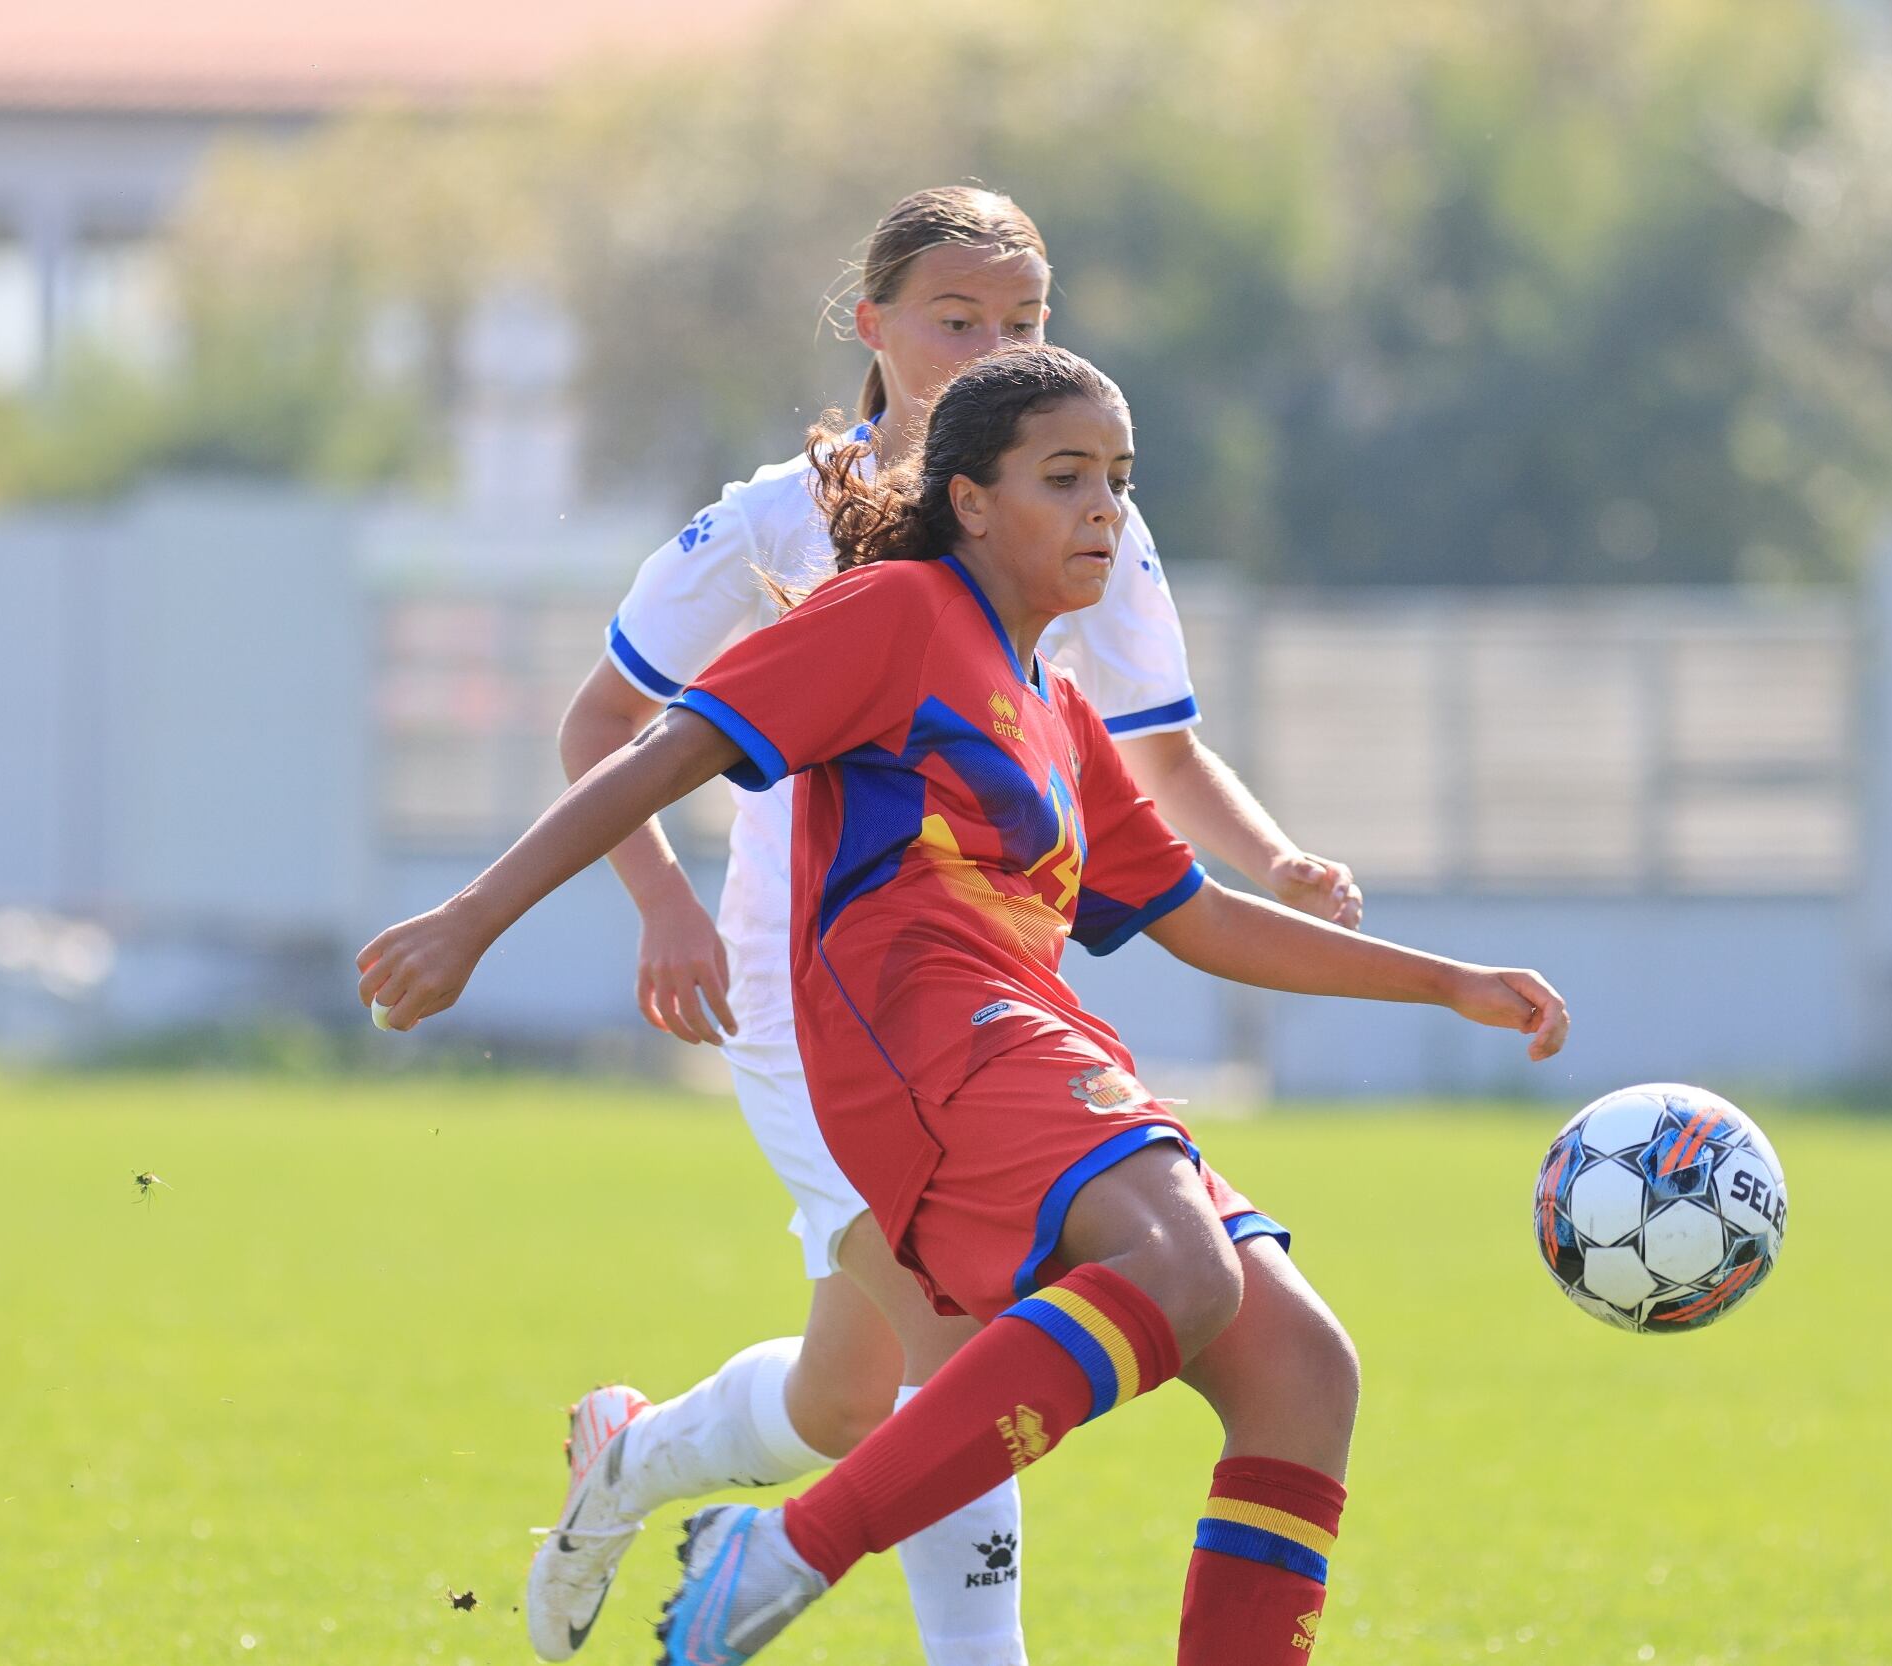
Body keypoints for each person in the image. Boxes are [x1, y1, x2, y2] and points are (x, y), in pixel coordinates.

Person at [357, 344, 1568, 1664]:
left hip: (1024, 1035)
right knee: (1176, 1260)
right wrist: (474, 915)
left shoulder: (1057, 709)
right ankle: (781, 1554)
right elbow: (668, 747)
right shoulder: (892, 612)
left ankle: (701, 1487)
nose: (1106, 507)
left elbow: (1201, 918)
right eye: (1067, 477)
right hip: (921, 1037)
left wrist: (1444, 979)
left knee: (1302, 1368)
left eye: (1119, 477)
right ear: (975, 500)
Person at [513, 186, 1360, 1666]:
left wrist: (1277, 857)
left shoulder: (1080, 488)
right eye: (957, 319)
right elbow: (610, 725)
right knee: (955, 1351)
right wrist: (663, 906)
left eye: (1022, 321)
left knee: (852, 1395)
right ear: (875, 326)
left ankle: (633, 1458)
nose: (990, 345)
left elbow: (1150, 751)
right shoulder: (775, 515)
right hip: (816, 993)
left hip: (998, 982)